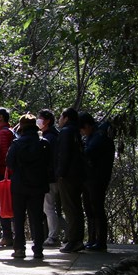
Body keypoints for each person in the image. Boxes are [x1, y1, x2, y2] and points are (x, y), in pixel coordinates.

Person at [6, 114, 51, 259]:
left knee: (19, 217)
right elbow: (50, 163)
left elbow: (10, 163)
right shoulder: (44, 143)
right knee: (37, 217)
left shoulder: (17, 144)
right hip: (38, 185)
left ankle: (19, 248)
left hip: (19, 184)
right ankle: (38, 249)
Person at [79, 112, 115, 251]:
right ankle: (93, 239)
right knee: (89, 209)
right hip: (90, 178)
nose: (82, 133)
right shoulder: (93, 136)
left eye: (82, 129)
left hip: (97, 178)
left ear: (87, 126)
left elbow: (89, 153)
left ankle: (100, 241)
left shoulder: (100, 137)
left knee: (97, 209)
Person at [56, 107, 87, 253]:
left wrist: (60, 173)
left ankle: (74, 240)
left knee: (70, 207)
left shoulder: (66, 132)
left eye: (61, 116)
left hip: (68, 175)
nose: (59, 120)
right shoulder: (76, 131)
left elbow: (63, 154)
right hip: (78, 174)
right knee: (76, 207)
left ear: (66, 118)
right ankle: (77, 239)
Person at [37, 108, 63, 246]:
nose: (38, 120)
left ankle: (53, 236)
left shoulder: (50, 137)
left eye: (39, 118)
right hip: (53, 176)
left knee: (48, 207)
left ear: (46, 121)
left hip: (50, 177)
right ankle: (65, 233)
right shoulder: (53, 135)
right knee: (51, 207)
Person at [0, 107, 16, 247]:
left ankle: (7, 236)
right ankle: (12, 235)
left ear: (0, 117)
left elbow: (3, 155)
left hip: (4, 174)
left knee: (3, 204)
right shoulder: (10, 131)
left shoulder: (3, 133)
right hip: (12, 174)